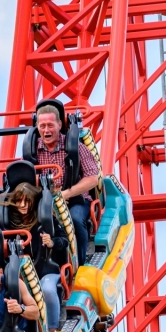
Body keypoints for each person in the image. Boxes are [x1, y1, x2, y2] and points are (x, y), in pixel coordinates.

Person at [33, 104, 100, 265]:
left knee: (75, 220)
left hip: (75, 200)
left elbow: (93, 178)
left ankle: (81, 263)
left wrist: (65, 194)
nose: (46, 130)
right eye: (42, 126)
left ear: (60, 125)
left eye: (50, 125)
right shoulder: (32, 151)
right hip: (45, 202)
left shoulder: (76, 148)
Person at [0, 182, 68, 331]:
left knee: (47, 289)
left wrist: (52, 242)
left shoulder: (44, 219)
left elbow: (65, 240)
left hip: (45, 269)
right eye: (19, 201)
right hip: (20, 273)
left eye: (27, 201)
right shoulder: (9, 223)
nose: (23, 205)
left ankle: (51, 329)